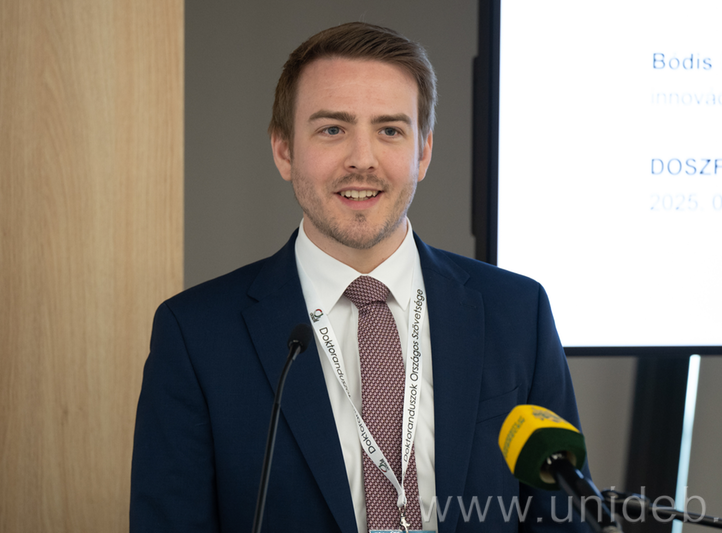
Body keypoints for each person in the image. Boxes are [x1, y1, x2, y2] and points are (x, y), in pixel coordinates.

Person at [131, 22, 590, 533]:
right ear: (284, 151)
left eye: (390, 130)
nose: (362, 160)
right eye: (333, 129)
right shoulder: (196, 335)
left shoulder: (517, 313)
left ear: (423, 152)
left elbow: (564, 520)